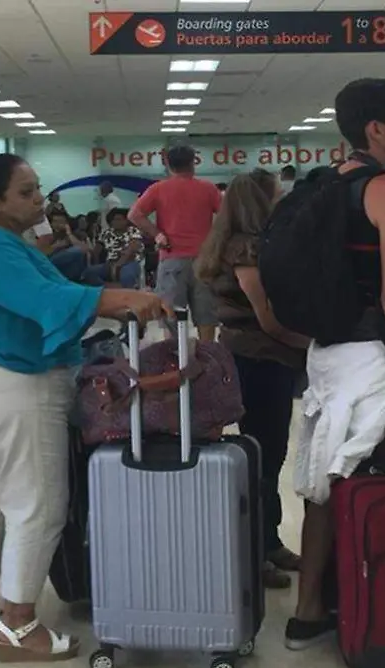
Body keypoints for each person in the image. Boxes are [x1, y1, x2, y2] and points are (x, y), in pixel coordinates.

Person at [0, 153, 170, 662]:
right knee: (36, 503)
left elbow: (60, 289)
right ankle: (18, 625)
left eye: (37, 188)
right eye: (25, 192)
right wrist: (117, 299)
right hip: (16, 381)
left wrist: (110, 295)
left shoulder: (0, 242)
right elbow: (44, 299)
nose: (39, 199)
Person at [287, 77, 385, 650]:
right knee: (368, 476)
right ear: (377, 128)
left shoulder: (327, 184)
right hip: (373, 355)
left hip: (327, 354)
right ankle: (365, 596)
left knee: (324, 480)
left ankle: (310, 606)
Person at [195, 169, 308, 590]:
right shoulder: (246, 249)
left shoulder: (232, 243)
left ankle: (269, 542)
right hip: (260, 358)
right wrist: (309, 341)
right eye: (276, 195)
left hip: (252, 356)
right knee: (262, 457)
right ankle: (255, 551)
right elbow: (267, 317)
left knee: (266, 455)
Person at [128, 145, 221, 341]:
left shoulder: (159, 189)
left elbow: (134, 214)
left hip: (172, 258)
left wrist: (158, 234)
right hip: (204, 261)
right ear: (193, 162)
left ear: (168, 164)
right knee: (206, 316)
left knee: (170, 315)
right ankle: (208, 358)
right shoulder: (208, 188)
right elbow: (226, 217)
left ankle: (175, 359)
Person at [83, 208, 143, 288]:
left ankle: (124, 293)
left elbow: (130, 250)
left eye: (119, 219)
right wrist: (96, 262)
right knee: (88, 273)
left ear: (126, 221)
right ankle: (110, 288)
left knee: (127, 276)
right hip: (110, 263)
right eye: (113, 220)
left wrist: (117, 266)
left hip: (129, 262)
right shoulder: (106, 233)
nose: (115, 222)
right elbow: (96, 251)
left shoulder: (133, 231)